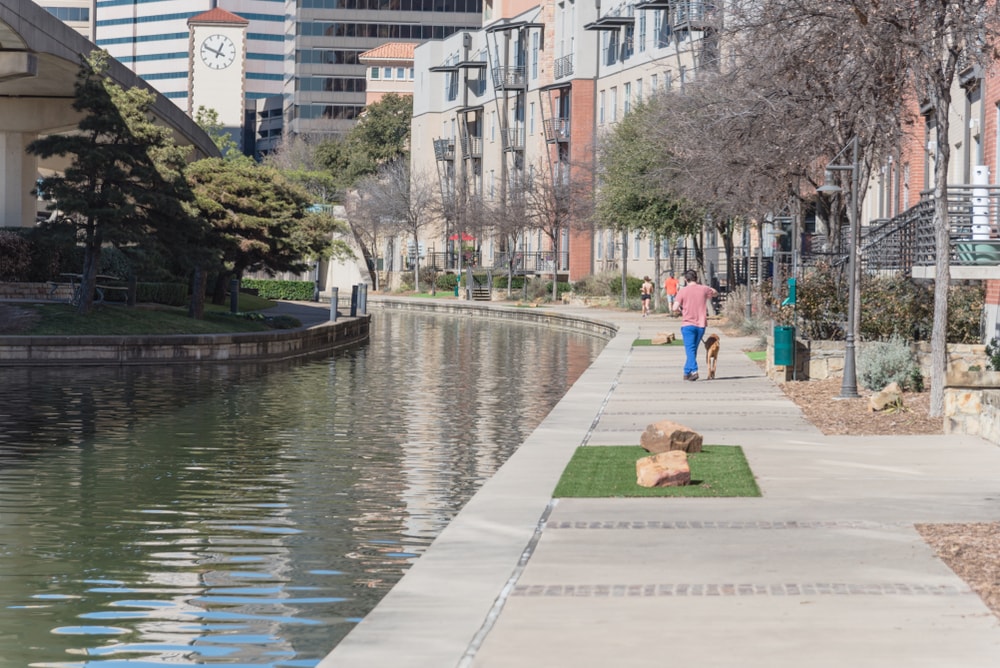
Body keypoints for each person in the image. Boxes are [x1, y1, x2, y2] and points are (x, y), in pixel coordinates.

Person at [672, 269, 718, 381]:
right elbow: (715, 293)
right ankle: (687, 371)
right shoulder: (703, 289)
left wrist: (680, 311)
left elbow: (674, 308)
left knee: (690, 349)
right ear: (696, 278)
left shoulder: (683, 291)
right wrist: (708, 288)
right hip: (701, 324)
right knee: (693, 349)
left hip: (688, 324)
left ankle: (694, 371)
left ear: (686, 280)